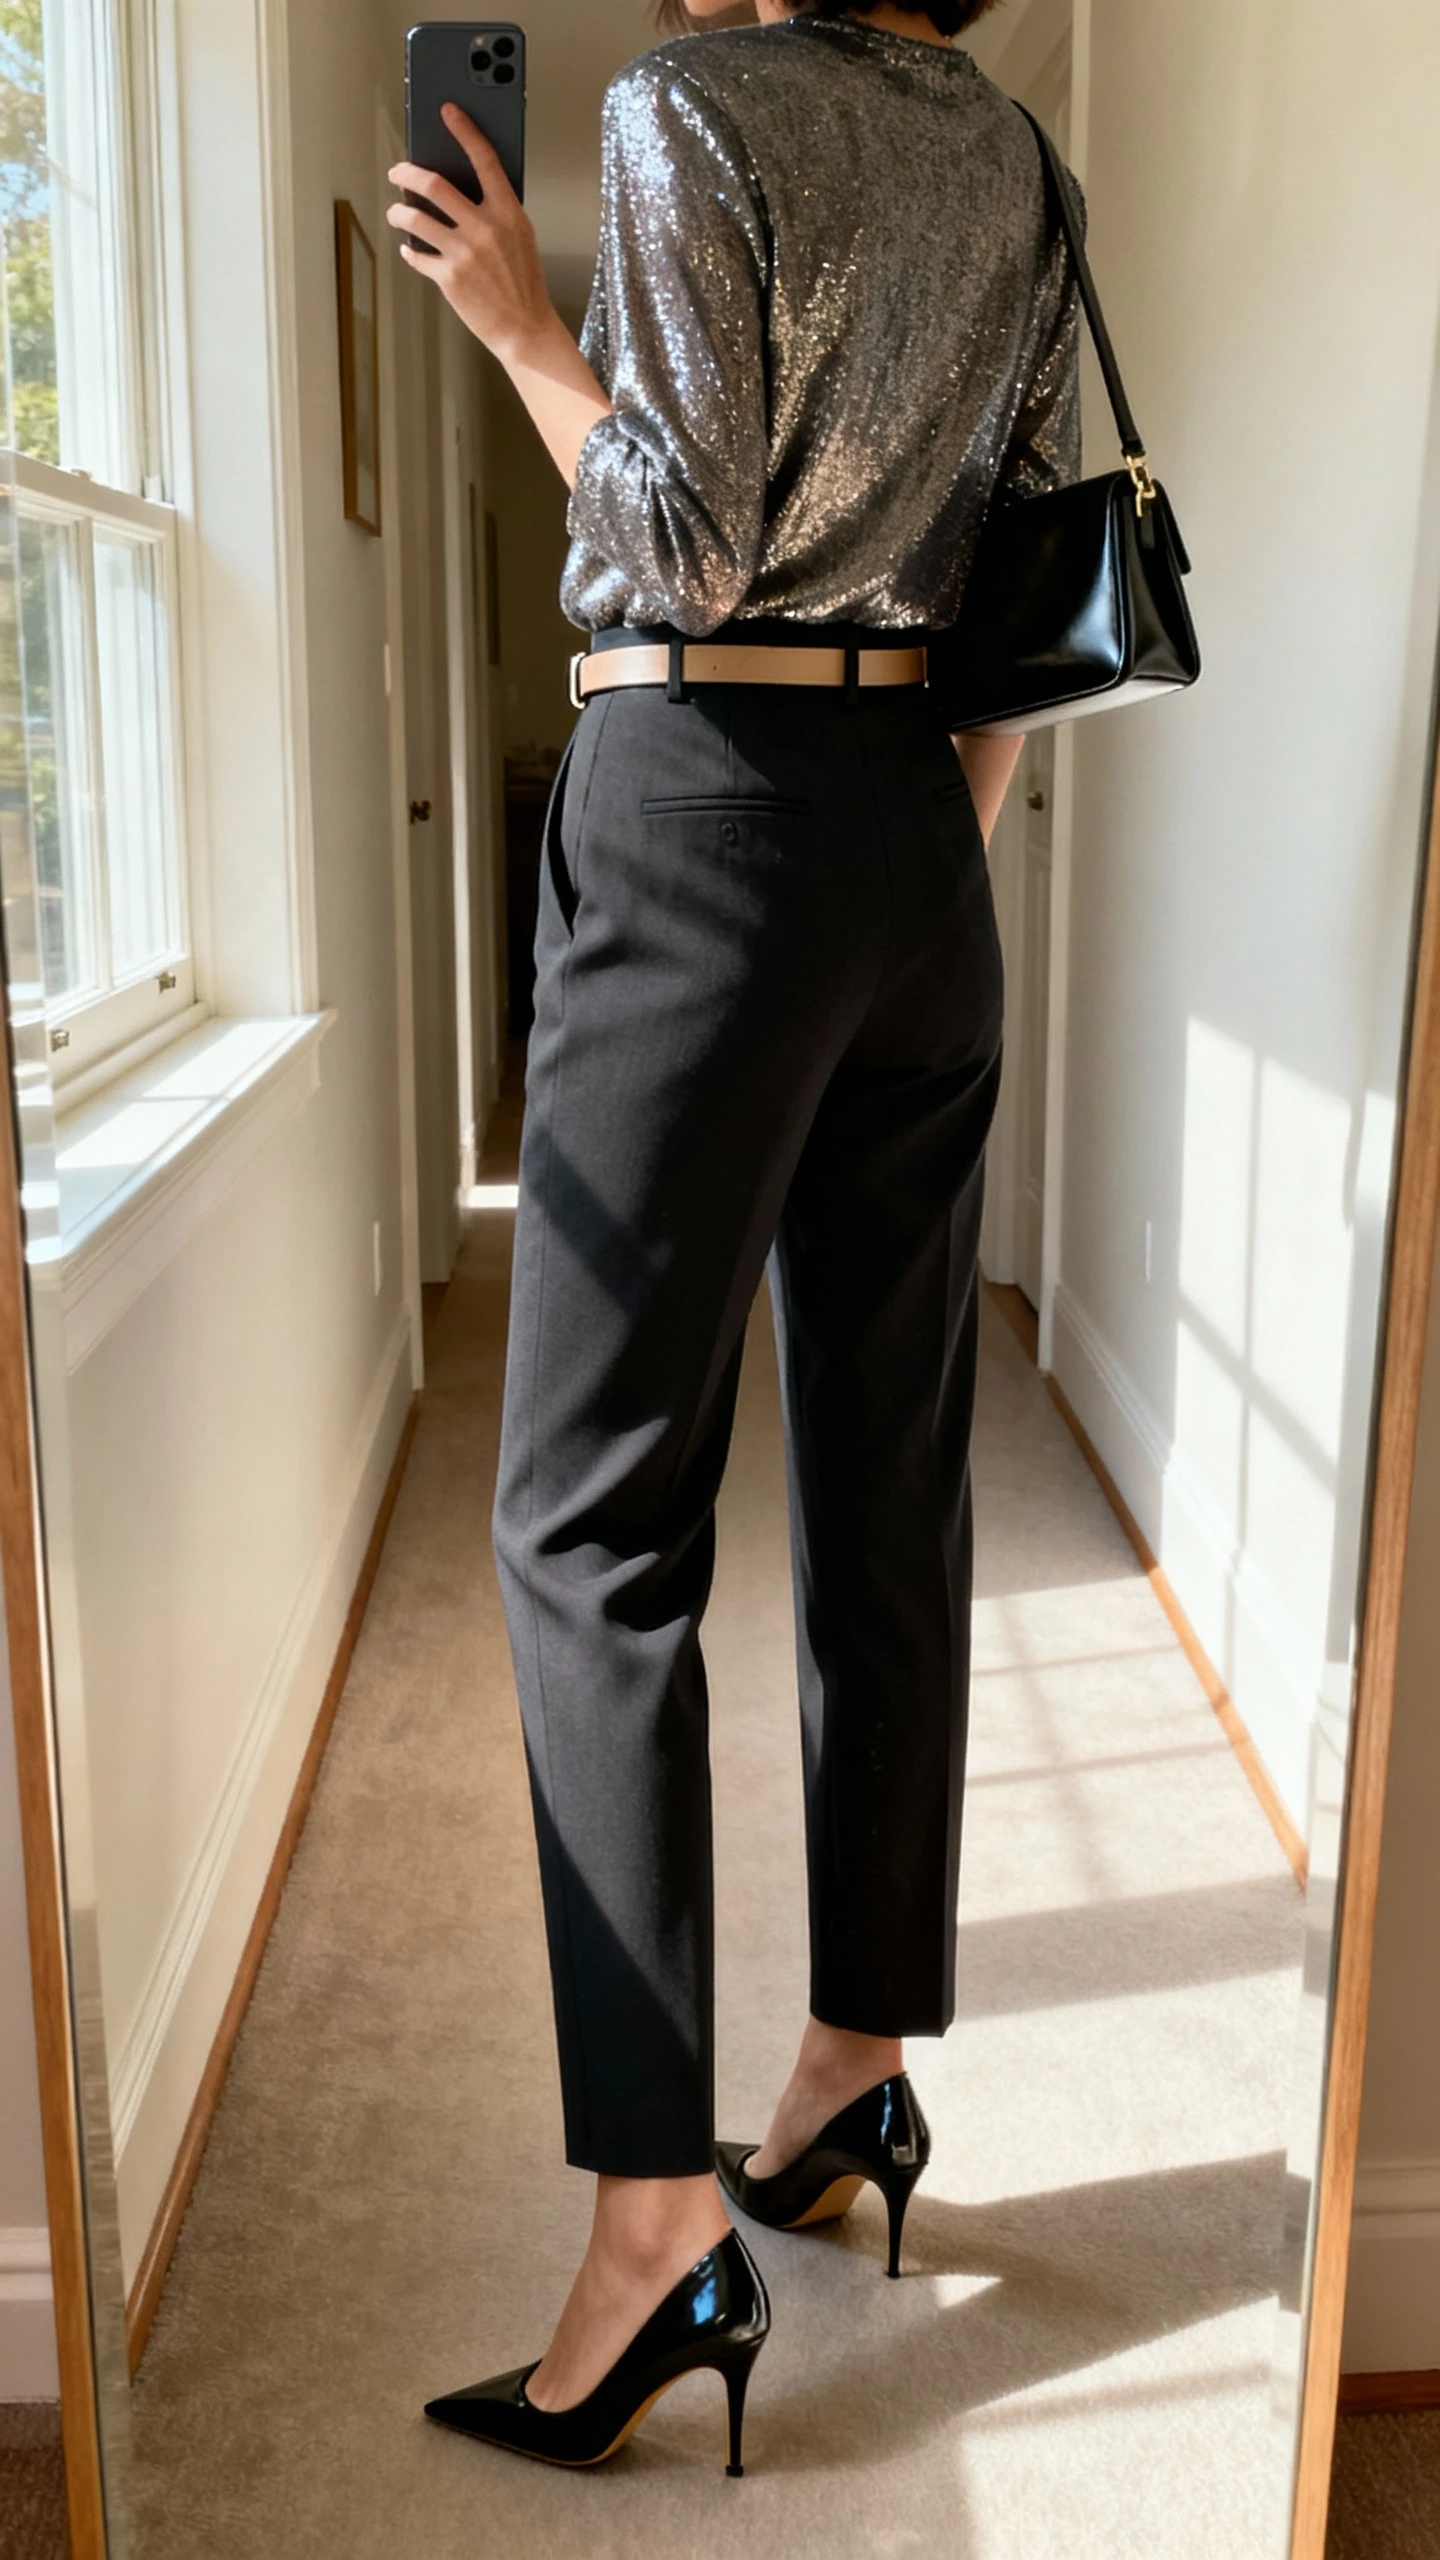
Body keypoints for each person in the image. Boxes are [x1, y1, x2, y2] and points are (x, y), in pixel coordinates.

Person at [387, 0, 1081, 2476]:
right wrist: (930, 855)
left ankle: (651, 2220)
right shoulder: (1007, 147)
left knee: (587, 1518)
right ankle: (850, 2077)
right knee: (890, 1477)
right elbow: (1013, 583)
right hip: (924, 834)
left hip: (705, 813)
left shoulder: (693, 103)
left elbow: (661, 535)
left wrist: (516, 330)